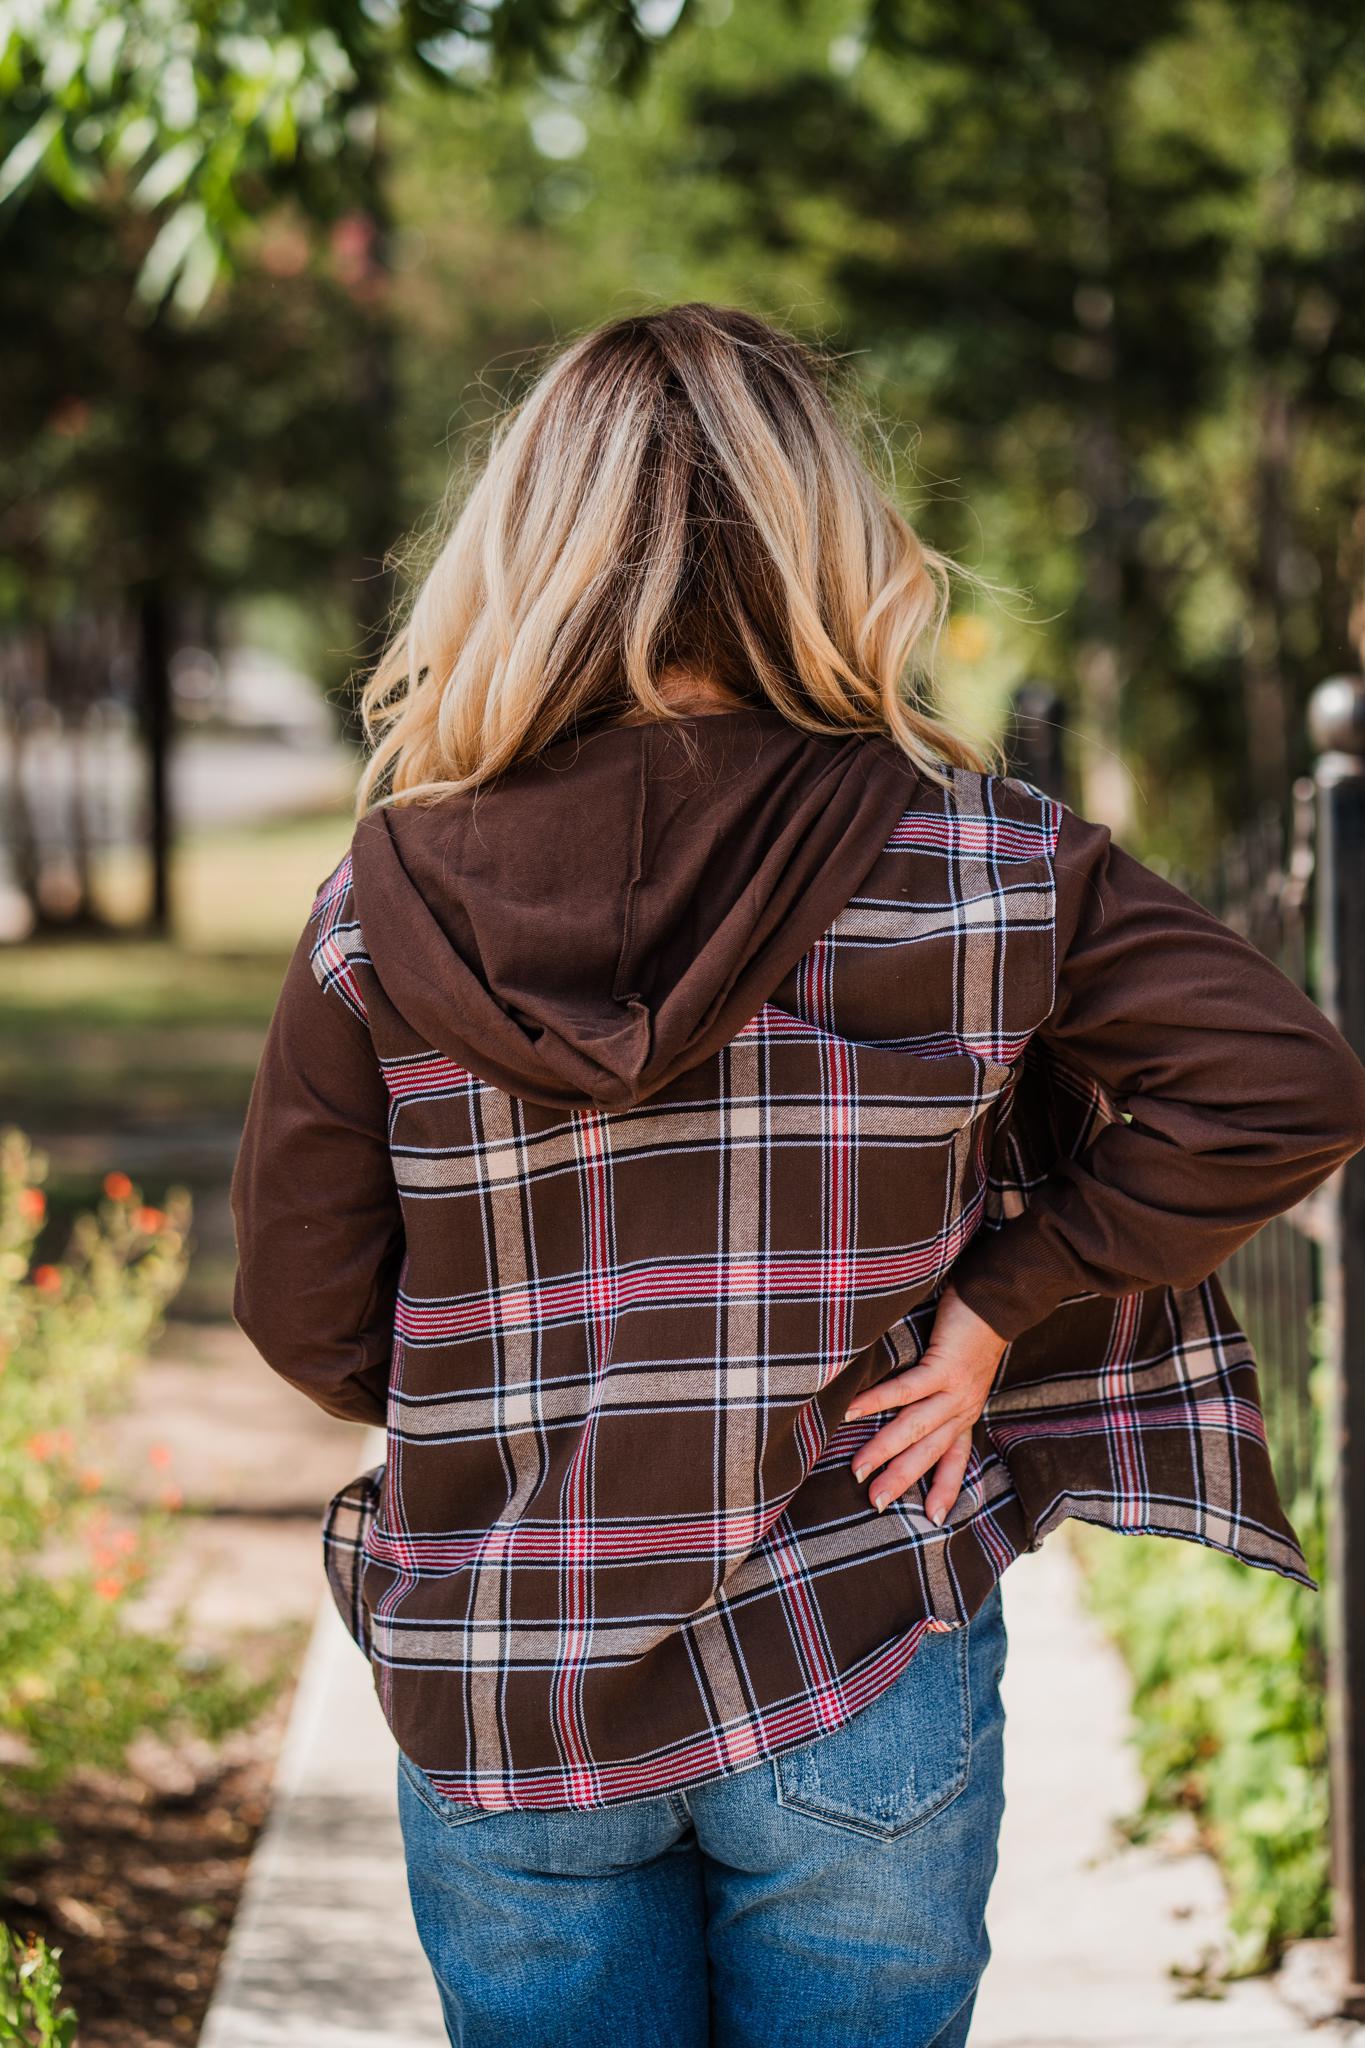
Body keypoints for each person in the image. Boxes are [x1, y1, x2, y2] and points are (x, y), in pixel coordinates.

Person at [230, 303, 1365, 2048]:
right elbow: (1282, 1089)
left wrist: (534, 1393)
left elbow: (310, 1325)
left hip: (508, 1681)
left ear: (523, 552)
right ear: (829, 541)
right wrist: (996, 1305)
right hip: (855, 1646)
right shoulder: (983, 857)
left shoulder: (381, 905)